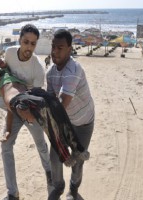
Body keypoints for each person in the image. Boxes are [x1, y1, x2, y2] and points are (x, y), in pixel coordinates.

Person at [0, 24, 52, 200]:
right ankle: (12, 193)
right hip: (13, 109)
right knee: (5, 145)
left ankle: (52, 188)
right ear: (19, 40)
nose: (29, 47)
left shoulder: (37, 68)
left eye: (33, 44)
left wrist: (27, 113)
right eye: (26, 42)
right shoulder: (9, 53)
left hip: (31, 110)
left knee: (42, 148)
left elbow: (34, 99)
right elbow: (5, 74)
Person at [46, 29, 95, 200]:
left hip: (83, 122)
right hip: (64, 121)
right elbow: (50, 102)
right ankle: (58, 187)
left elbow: (61, 104)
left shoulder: (73, 69)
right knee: (54, 156)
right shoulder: (50, 73)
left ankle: (73, 190)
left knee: (77, 160)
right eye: (53, 46)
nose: (55, 51)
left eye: (60, 47)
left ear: (69, 49)